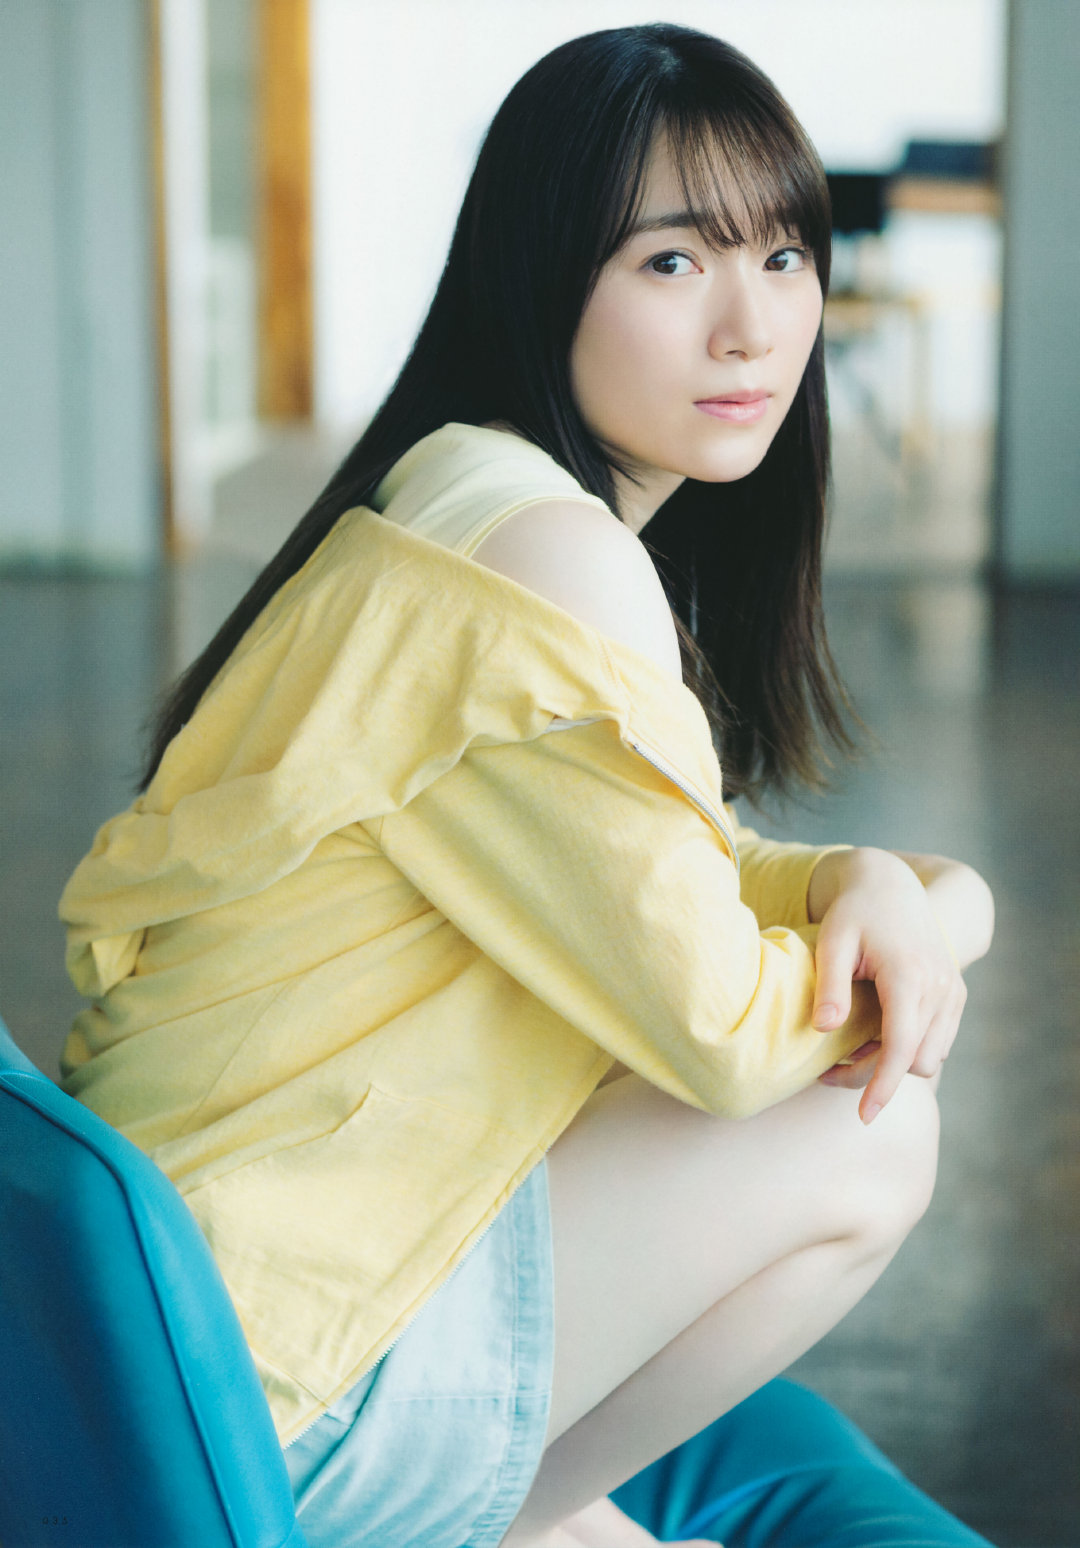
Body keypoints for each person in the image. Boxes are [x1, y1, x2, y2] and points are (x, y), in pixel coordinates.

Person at [57, 23, 995, 1548]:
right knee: (871, 1128)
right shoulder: (556, 561)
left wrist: (855, 880)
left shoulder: (454, 486)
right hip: (264, 1395)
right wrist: (953, 917)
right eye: (674, 262)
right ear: (541, 272)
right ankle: (488, 1524)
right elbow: (728, 1037)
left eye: (783, 256)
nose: (753, 327)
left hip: (187, 1315)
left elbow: (667, 866)